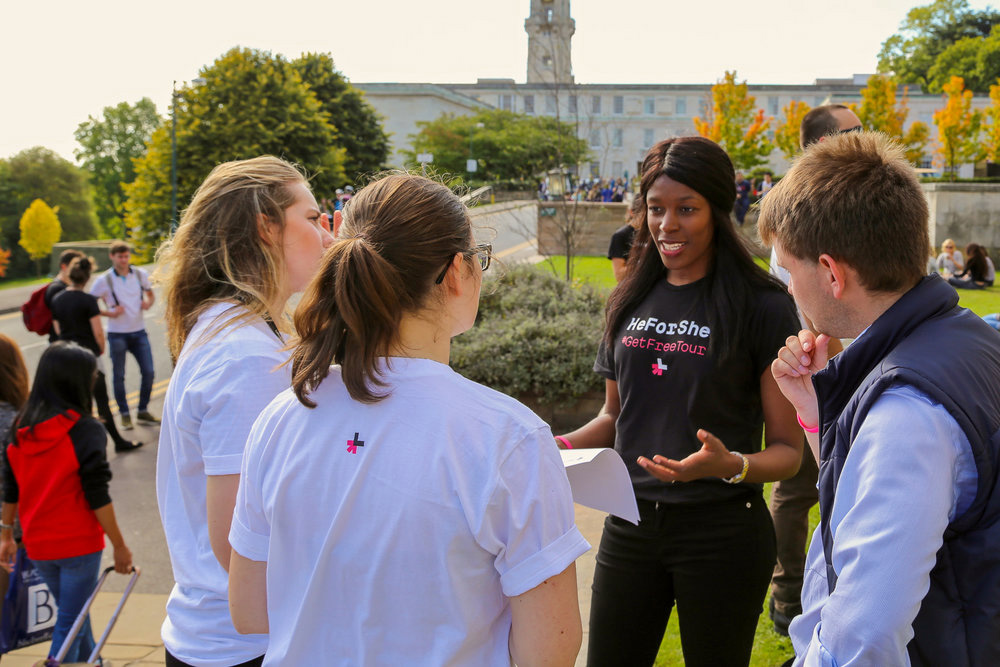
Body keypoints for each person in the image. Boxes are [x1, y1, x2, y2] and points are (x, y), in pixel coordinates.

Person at [227, 173, 589, 666]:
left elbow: (250, 613)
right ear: (458, 271)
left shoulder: (279, 419)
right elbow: (550, 650)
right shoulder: (507, 438)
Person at [555, 137, 802, 667]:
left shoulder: (764, 307)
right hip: (630, 527)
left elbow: (787, 451)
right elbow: (612, 418)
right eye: (656, 208)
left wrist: (730, 464)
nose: (667, 225)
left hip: (722, 534)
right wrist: (557, 444)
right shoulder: (629, 299)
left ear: (717, 210)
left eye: (686, 209)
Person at [759, 131, 1000, 665]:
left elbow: (864, 636)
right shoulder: (968, 336)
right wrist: (818, 417)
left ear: (830, 273)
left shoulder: (907, 412)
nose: (789, 289)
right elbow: (872, 499)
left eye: (787, 269)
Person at [155, 155, 333, 667]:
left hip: (221, 638)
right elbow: (237, 546)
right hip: (246, 646)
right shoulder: (246, 356)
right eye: (313, 218)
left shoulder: (234, 327)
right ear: (265, 225)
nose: (326, 235)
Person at [765, 102, 859, 636]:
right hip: (809, 363)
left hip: (853, 359)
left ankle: (838, 589)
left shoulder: (852, 203)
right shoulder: (797, 209)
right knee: (802, 484)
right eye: (853, 133)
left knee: (850, 478)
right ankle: (789, 592)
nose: (865, 140)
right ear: (822, 143)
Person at [0, 342, 133, 665]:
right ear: (76, 381)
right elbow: (97, 495)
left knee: (74, 612)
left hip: (38, 546)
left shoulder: (20, 429)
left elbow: (12, 488)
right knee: (71, 619)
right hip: (78, 545)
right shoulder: (86, 430)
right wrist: (119, 545)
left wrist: (6, 535)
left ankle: (94, 662)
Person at [51, 256, 142, 453]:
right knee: (101, 401)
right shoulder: (88, 301)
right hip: (88, 356)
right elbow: (98, 331)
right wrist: (100, 348)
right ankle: (117, 441)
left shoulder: (58, 299)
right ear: (87, 277)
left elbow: (58, 330)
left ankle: (78, 448)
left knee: (75, 404)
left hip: (66, 356)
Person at [90, 240, 157, 431]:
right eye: (120, 256)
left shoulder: (139, 274)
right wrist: (109, 312)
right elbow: (90, 304)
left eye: (126, 256)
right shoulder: (104, 280)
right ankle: (125, 414)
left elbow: (150, 294)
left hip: (139, 331)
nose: (124, 260)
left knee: (149, 372)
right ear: (112, 257)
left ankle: (142, 409)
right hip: (117, 334)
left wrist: (148, 303)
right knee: (119, 376)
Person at [43, 249, 86, 343]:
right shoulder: (57, 289)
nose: (78, 270)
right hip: (62, 344)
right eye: (74, 266)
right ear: (63, 266)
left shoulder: (67, 287)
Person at [607, 197, 644, 283]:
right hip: (633, 290)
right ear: (632, 212)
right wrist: (645, 263)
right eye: (644, 213)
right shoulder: (620, 236)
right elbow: (619, 276)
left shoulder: (655, 234)